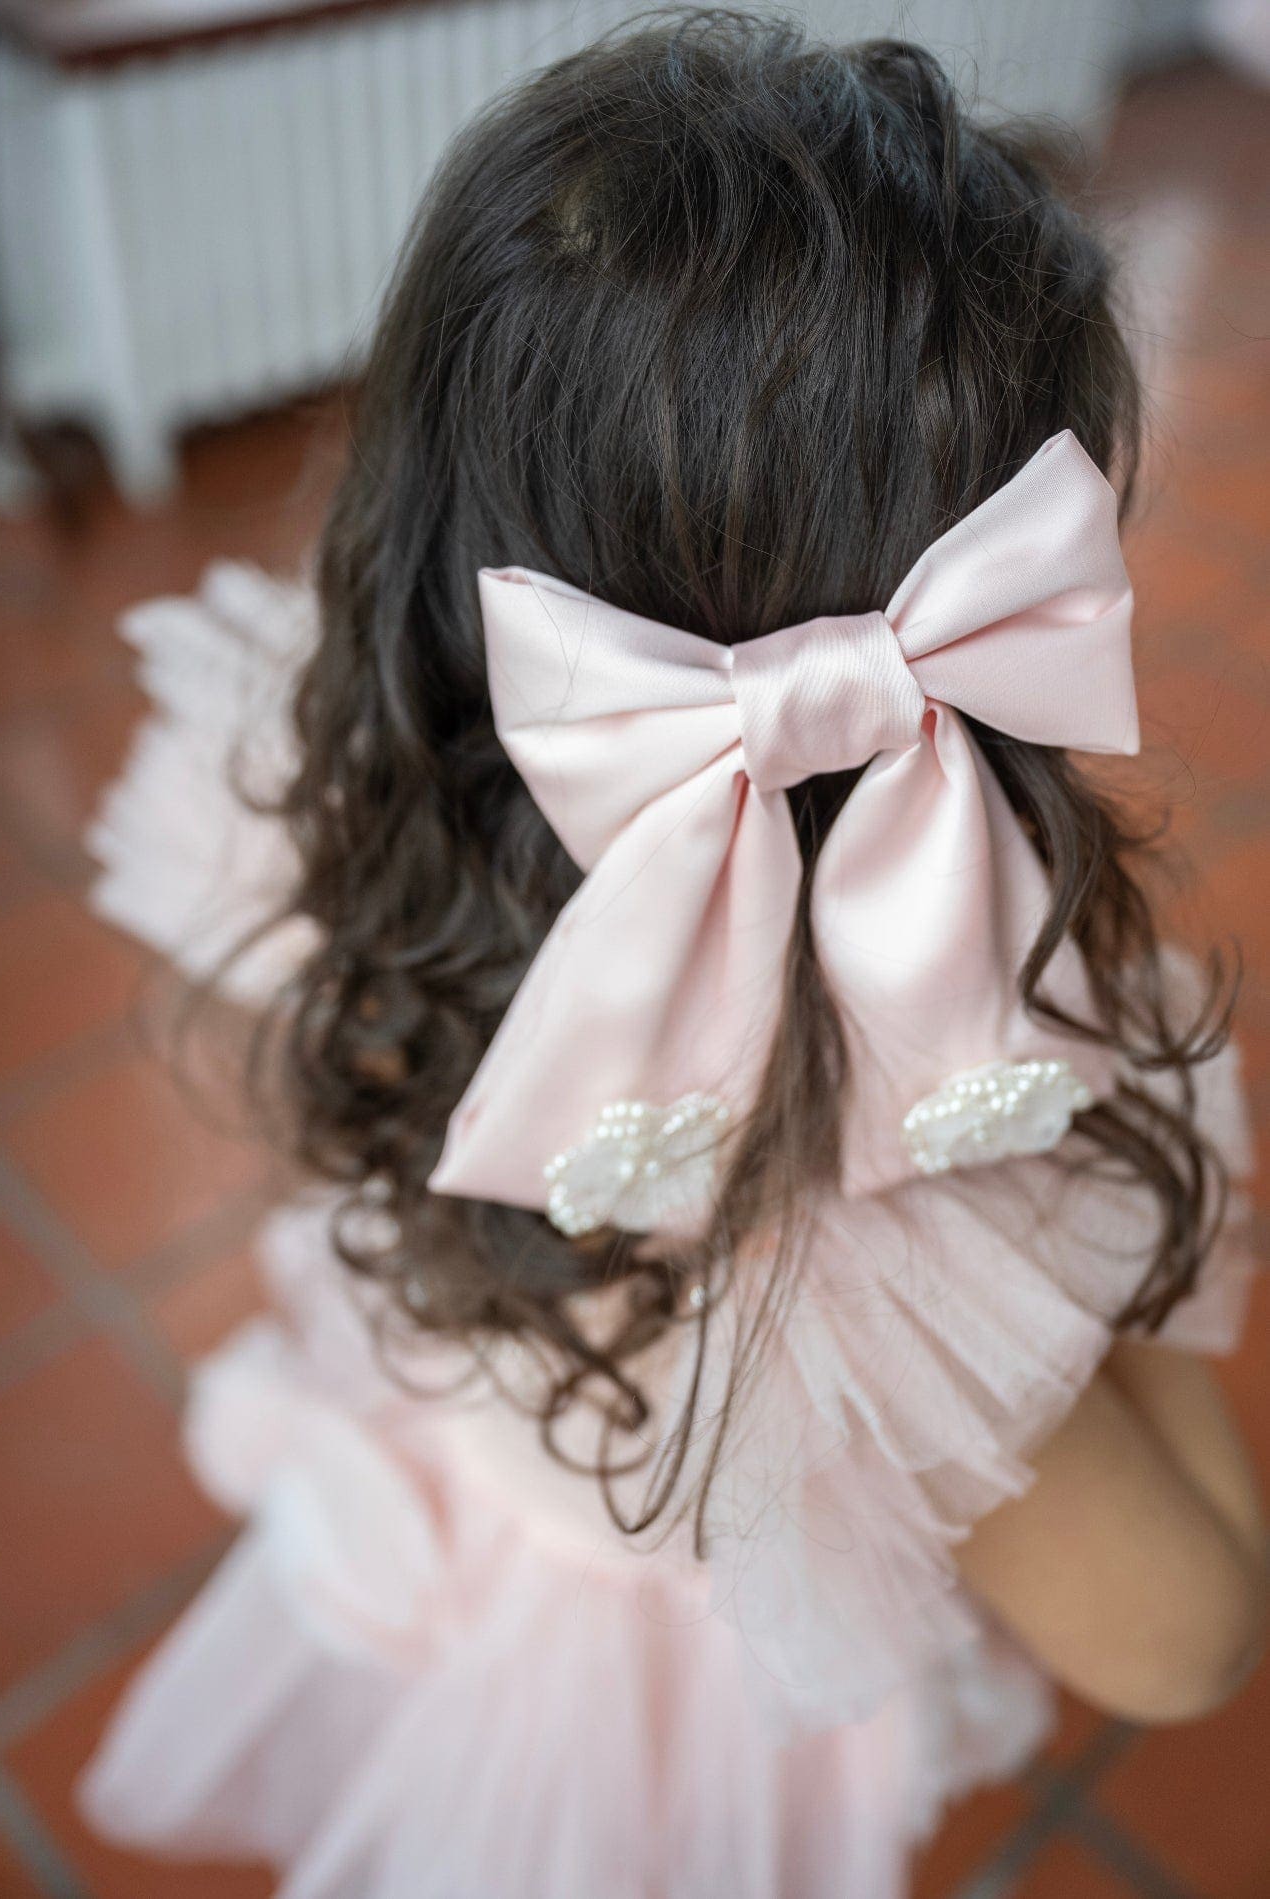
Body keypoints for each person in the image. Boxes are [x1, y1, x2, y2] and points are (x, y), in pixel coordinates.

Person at [81, 16, 1266, 1897]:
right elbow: (1186, 1633)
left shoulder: (350, 824)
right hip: (664, 1730)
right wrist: (1126, 1242)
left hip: (502, 1493)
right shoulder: (876, 1224)